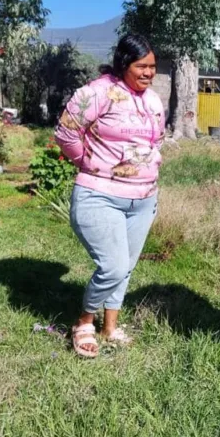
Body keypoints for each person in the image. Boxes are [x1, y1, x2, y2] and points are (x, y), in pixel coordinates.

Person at [55, 33, 165, 358]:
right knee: (113, 266)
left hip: (143, 199)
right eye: (141, 66)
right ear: (123, 63)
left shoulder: (154, 101)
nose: (148, 73)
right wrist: (86, 161)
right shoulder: (98, 92)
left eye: (153, 67)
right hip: (100, 195)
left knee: (127, 266)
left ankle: (110, 327)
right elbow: (65, 132)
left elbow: (156, 141)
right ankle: (84, 323)